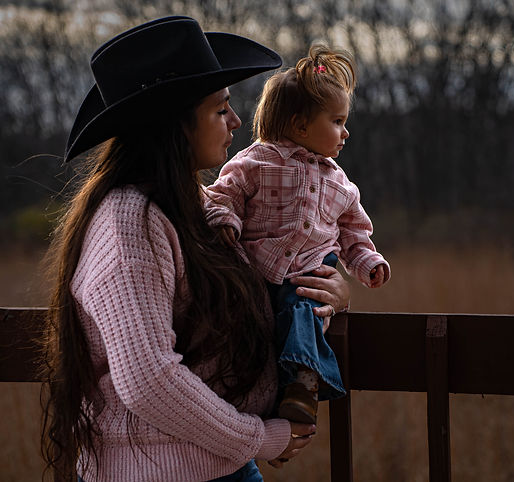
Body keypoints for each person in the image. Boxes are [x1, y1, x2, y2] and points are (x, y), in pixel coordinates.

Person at [39, 17, 350, 482]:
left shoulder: (200, 206)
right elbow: (148, 381)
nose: (237, 122)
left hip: (222, 466)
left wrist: (331, 292)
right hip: (156, 474)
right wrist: (259, 436)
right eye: (220, 109)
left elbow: (269, 280)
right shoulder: (129, 225)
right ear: (175, 125)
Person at [204, 44, 391, 425]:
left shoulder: (341, 184)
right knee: (247, 321)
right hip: (257, 267)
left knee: (302, 310)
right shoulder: (256, 161)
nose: (346, 132)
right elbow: (223, 195)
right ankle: (250, 393)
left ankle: (304, 383)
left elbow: (353, 233)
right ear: (300, 125)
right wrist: (225, 221)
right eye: (336, 122)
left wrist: (368, 262)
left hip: (308, 269)